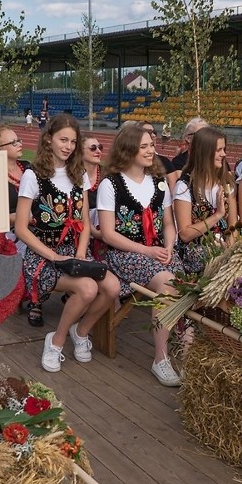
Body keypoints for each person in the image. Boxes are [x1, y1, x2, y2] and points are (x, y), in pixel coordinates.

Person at [14, 114, 121, 373]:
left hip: (73, 252)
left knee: (112, 287)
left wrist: (81, 253)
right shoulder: (33, 176)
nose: (68, 146)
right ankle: (57, 340)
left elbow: (83, 220)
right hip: (41, 254)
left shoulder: (78, 174)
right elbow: (20, 228)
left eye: (73, 141)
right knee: (87, 289)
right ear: (48, 139)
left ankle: (80, 331)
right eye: (63, 139)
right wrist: (54, 257)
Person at [97, 125, 184, 386]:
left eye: (151, 145)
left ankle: (189, 354)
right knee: (169, 284)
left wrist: (169, 247)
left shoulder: (159, 182)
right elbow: (109, 234)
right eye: (143, 146)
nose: (150, 150)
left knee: (187, 284)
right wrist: (148, 250)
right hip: (125, 255)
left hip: (158, 254)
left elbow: (168, 224)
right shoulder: (110, 184)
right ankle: (160, 358)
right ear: (128, 149)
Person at [173, 127, 237, 274]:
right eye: (219, 150)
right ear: (205, 153)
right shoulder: (184, 186)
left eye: (224, 149)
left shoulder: (226, 182)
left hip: (223, 246)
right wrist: (218, 215)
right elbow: (185, 234)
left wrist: (230, 245)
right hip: (195, 250)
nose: (224, 154)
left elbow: (233, 224)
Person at [0, 126, 37, 320]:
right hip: (9, 231)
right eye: (13, 142)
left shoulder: (29, 167)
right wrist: (19, 218)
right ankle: (31, 296)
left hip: (36, 224)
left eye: (19, 140)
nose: (20, 144)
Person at [163, 117, 209, 185]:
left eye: (208, 133)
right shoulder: (178, 162)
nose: (206, 137)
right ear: (188, 138)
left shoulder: (216, 158)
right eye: (201, 134)